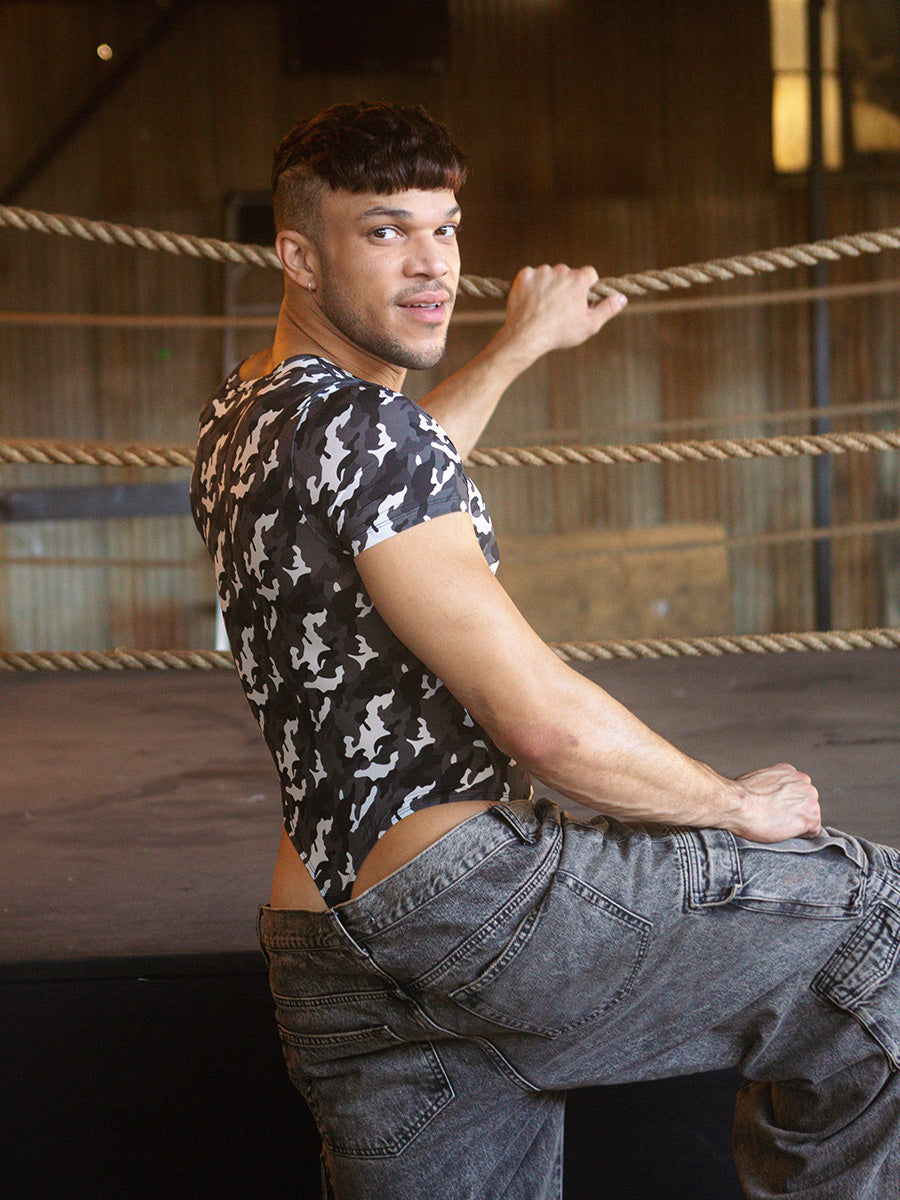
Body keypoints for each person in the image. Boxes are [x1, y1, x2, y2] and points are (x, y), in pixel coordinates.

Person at [190, 101, 900, 1199]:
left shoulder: (245, 416)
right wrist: (732, 804)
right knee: (876, 920)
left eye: (446, 227)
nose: (433, 263)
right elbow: (545, 728)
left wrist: (521, 342)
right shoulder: (368, 433)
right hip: (466, 906)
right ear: (299, 256)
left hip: (327, 949)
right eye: (385, 231)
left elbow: (398, 469)